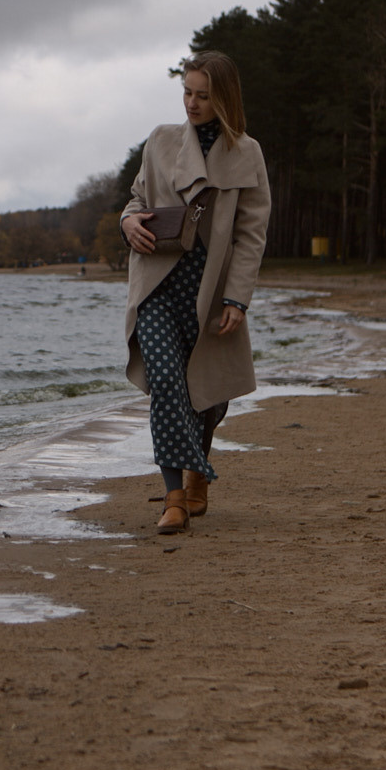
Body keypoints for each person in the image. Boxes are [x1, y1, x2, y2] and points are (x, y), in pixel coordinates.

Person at [119, 51, 271, 534]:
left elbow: (251, 235)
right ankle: (175, 498)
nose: (192, 103)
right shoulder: (161, 142)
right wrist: (128, 224)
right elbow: (137, 200)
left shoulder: (248, 153)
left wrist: (237, 298)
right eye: (187, 92)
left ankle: (196, 469)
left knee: (208, 394)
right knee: (166, 381)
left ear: (223, 97)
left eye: (203, 95)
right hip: (157, 284)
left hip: (212, 291)